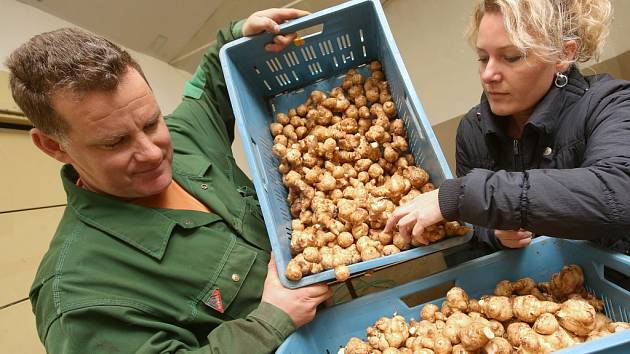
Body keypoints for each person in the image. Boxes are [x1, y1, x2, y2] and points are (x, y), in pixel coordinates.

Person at [7, 8, 332, 354]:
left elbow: (210, 80)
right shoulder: (76, 295)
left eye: (150, 123)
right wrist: (270, 321)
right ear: (53, 146)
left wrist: (240, 33)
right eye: (115, 142)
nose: (151, 152)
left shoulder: (183, 138)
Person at [385, 0, 630, 256]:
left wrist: (463, 195)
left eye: (511, 57)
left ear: (563, 54)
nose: (488, 74)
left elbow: (618, 191)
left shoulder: (612, 103)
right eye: (482, 57)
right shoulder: (473, 129)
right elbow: (472, 237)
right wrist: (493, 235)